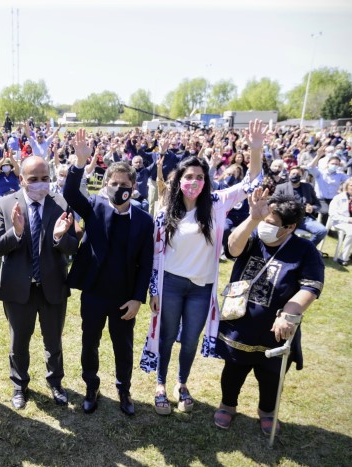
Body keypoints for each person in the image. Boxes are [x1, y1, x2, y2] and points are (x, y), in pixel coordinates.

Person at [140, 120, 265, 416]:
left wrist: (256, 150)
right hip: (170, 283)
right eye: (188, 176)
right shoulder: (164, 211)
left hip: (201, 288)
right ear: (179, 179)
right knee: (167, 337)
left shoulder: (217, 203)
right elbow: (156, 256)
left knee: (190, 341)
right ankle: (160, 384)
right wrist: (154, 290)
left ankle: (181, 384)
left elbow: (252, 182)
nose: (194, 181)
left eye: (199, 176)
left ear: (205, 180)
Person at [213, 191, 324, 435]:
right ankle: (227, 405)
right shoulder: (252, 236)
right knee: (233, 370)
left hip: (275, 330)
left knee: (272, 376)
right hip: (240, 324)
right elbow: (232, 248)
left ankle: (267, 411)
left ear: (290, 226)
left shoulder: (304, 250)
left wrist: (289, 314)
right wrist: (253, 218)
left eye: (271, 223)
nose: (265, 226)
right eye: (264, 220)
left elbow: (311, 287)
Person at [64, 129, 154, 416]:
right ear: (106, 185)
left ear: (133, 186)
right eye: (114, 183)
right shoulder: (93, 207)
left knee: (123, 347)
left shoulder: (143, 220)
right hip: (93, 292)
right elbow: (69, 193)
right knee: (89, 342)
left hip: (124, 297)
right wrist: (79, 163)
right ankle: (91, 386)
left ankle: (123, 389)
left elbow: (146, 263)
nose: (119, 188)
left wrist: (138, 298)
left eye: (124, 183)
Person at [0, 156, 78, 410]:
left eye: (45, 179)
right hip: (18, 289)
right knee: (19, 342)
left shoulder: (60, 203)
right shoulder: (5, 204)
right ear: (21, 180)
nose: (40, 184)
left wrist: (60, 237)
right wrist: (15, 233)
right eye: (34, 179)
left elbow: (73, 246)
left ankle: (56, 383)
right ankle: (19, 385)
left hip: (52, 286)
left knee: (53, 341)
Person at [274, 166, 327, 246]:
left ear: (302, 175)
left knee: (322, 231)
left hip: (305, 219)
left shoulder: (308, 187)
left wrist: (312, 208)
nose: (295, 175)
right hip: (287, 219)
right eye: (293, 173)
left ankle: (307, 249)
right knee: (285, 237)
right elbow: (274, 203)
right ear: (289, 174)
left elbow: (318, 204)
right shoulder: (281, 187)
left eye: (298, 174)